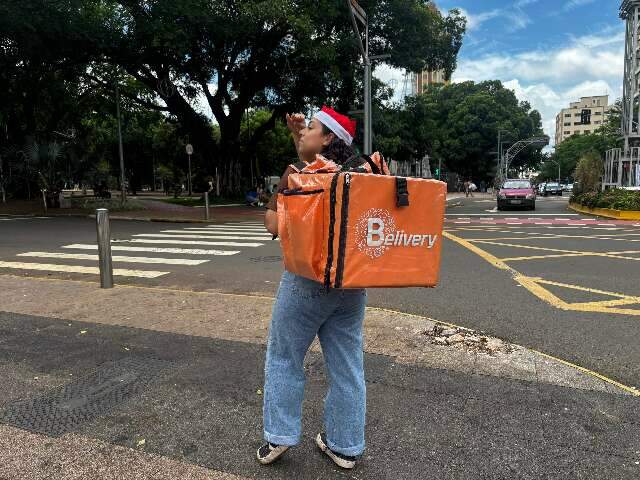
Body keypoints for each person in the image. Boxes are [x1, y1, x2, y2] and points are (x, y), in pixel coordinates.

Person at [258, 106, 366, 470]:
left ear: (329, 138)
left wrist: (278, 189)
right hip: (352, 284)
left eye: (312, 127)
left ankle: (279, 436)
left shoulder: (306, 178)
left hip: (307, 281)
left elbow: (274, 226)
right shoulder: (359, 174)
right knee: (347, 364)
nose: (304, 131)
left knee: (285, 355)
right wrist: (297, 137)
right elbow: (310, 157)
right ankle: (345, 446)